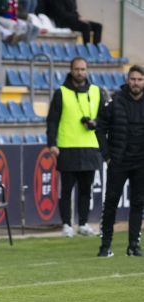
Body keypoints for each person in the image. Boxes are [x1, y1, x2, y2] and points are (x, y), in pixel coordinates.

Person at [46, 57, 103, 237]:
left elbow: (105, 117)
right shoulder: (61, 92)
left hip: (90, 147)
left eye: (83, 69)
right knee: (67, 189)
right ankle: (66, 224)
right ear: (71, 70)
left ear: (87, 71)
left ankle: (84, 223)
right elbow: (52, 121)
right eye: (77, 69)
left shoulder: (97, 91)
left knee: (86, 189)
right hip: (68, 147)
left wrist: (96, 123)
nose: (80, 72)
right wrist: (52, 143)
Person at [96, 65, 144, 258]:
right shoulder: (115, 101)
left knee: (138, 204)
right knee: (111, 203)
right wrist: (107, 155)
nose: (136, 83)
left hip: (141, 162)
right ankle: (105, 245)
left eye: (139, 80)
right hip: (119, 161)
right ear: (127, 80)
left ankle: (133, 245)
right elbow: (99, 128)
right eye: (133, 79)